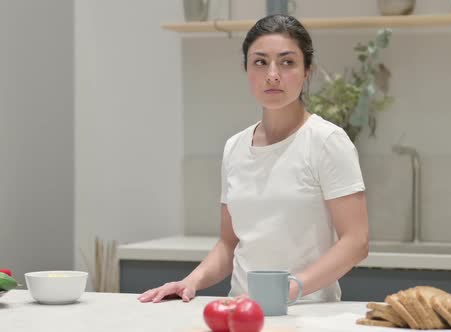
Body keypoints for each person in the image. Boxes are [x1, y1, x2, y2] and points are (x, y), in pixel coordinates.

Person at [138, 14, 369, 304]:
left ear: (307, 70)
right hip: (240, 310)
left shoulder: (326, 141)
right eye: (260, 62)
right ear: (247, 69)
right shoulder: (234, 147)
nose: (272, 74)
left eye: (287, 62)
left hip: (307, 313)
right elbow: (228, 244)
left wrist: (287, 291)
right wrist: (190, 281)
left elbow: (356, 243)